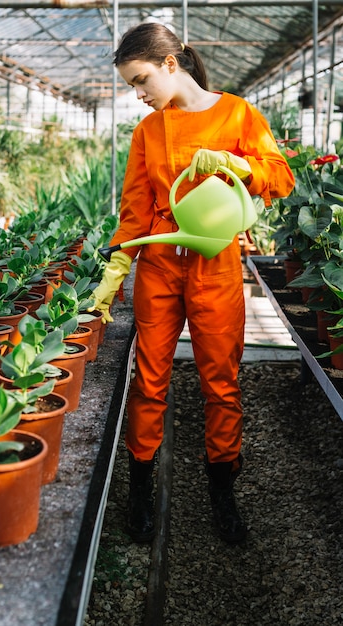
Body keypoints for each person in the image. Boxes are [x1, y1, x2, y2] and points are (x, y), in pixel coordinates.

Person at [91, 22, 294, 544]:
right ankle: (140, 490)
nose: (138, 96)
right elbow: (135, 209)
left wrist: (237, 163)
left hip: (215, 263)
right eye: (131, 86)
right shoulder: (147, 132)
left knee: (220, 382)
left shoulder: (239, 115)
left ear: (169, 65)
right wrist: (116, 269)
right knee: (149, 379)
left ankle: (223, 494)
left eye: (140, 81)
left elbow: (281, 175)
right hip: (159, 265)